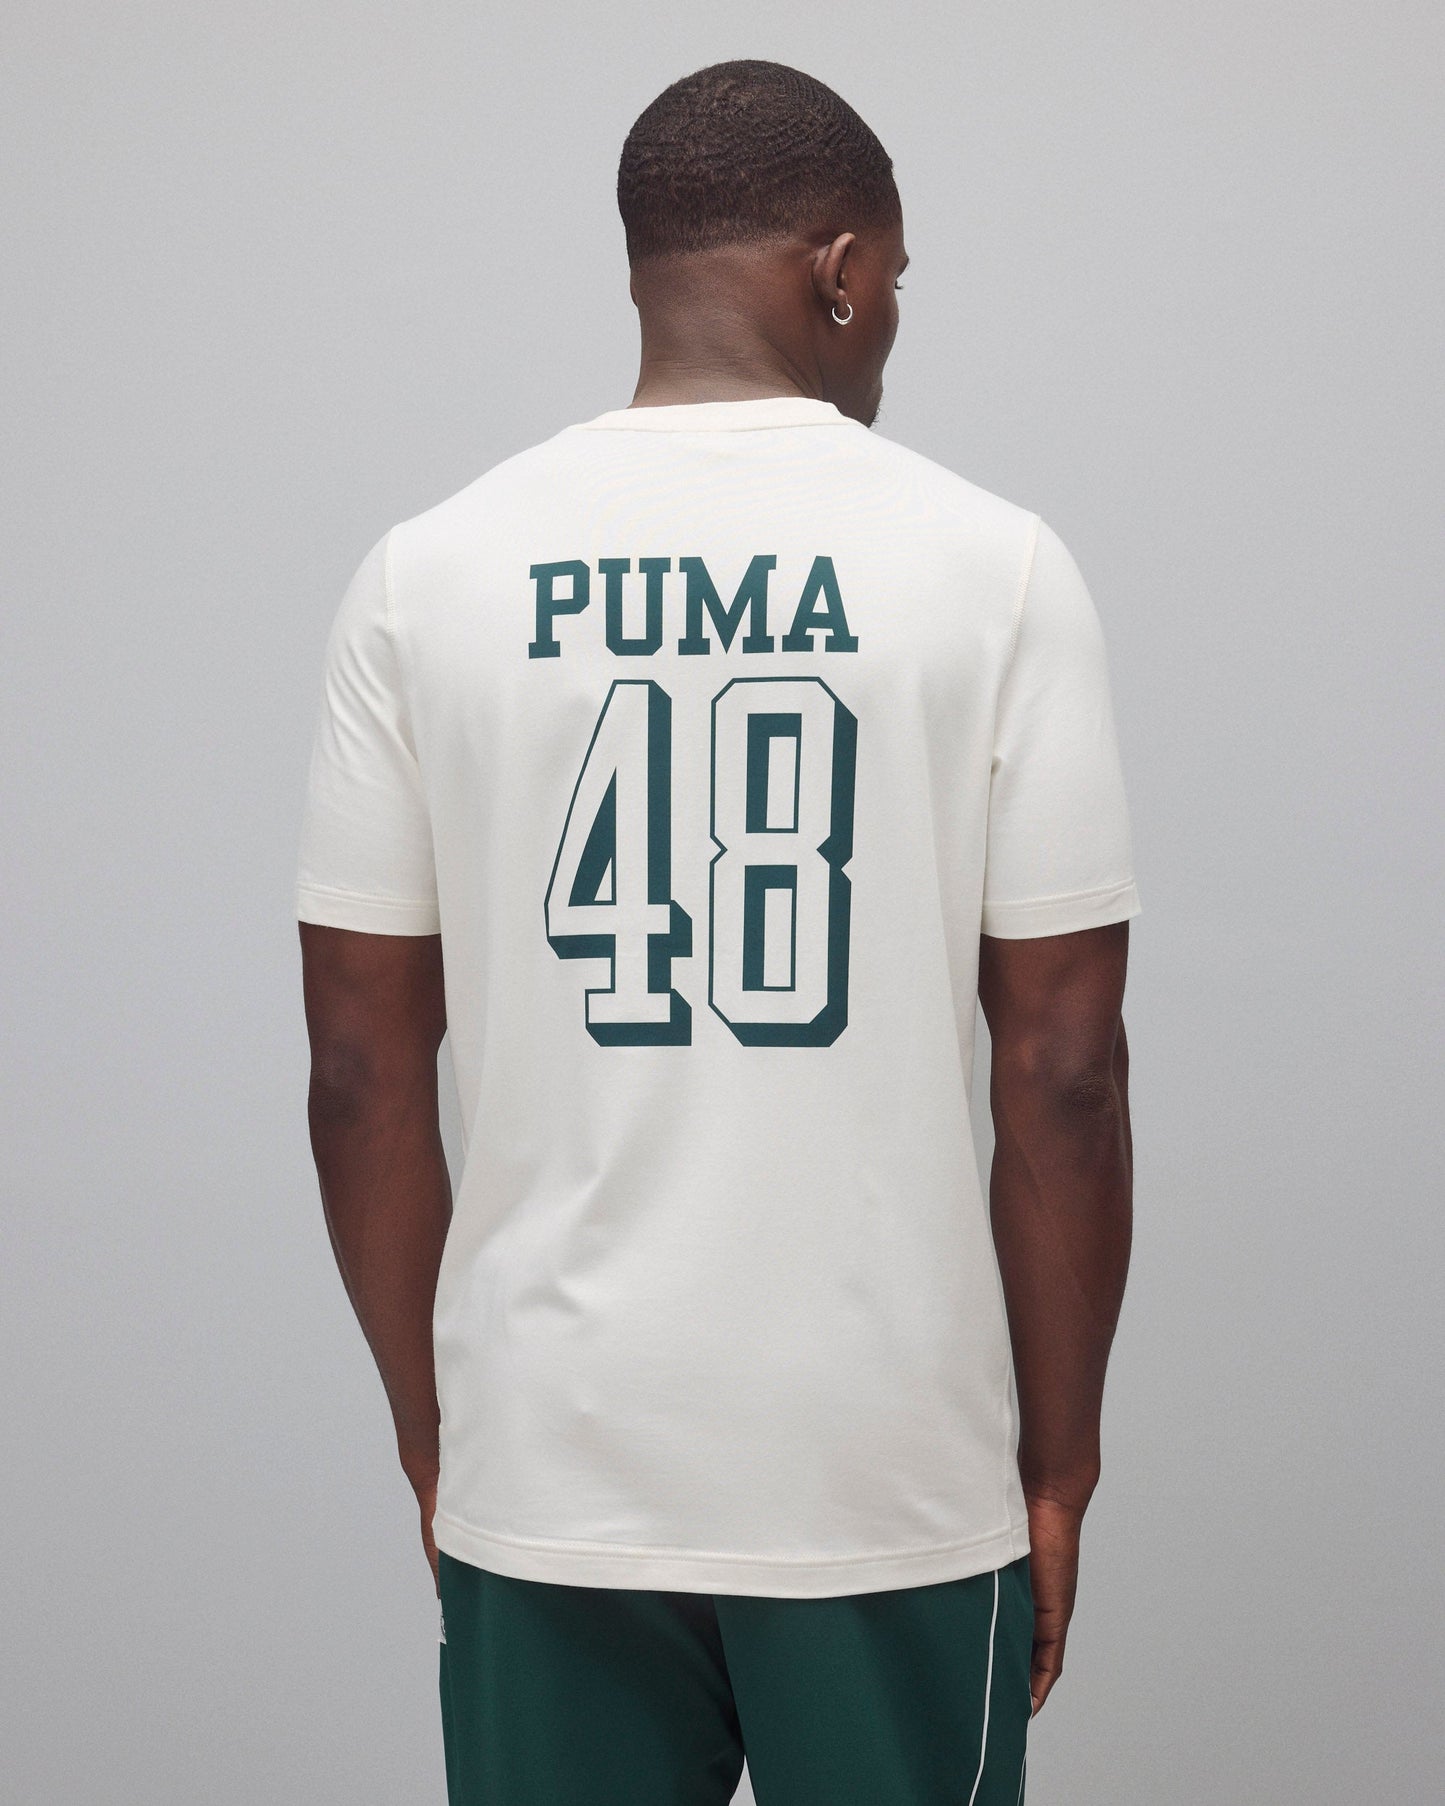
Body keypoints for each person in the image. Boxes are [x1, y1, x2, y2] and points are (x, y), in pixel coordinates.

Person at [297, 58, 1139, 1805]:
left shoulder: (425, 577)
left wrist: (440, 1433)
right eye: (891, 277)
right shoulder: (993, 568)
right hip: (883, 1468)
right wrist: (1055, 1468)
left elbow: (363, 1069)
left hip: (554, 1456)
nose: (889, 317)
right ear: (837, 266)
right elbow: (1062, 1066)